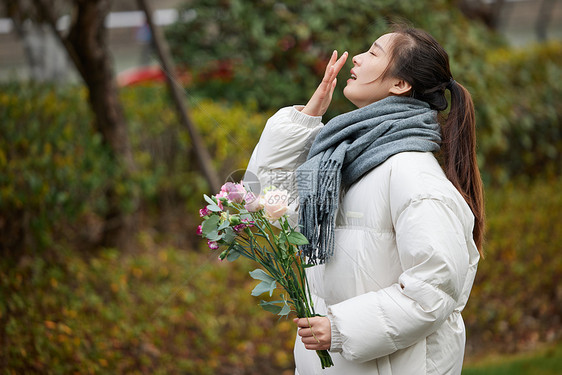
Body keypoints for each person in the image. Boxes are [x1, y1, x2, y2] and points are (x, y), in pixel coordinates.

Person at [245, 25, 484, 375]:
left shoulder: (413, 174)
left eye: (373, 52)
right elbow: (264, 205)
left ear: (400, 85)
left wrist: (340, 328)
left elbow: (434, 289)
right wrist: (305, 118)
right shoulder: (341, 161)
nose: (356, 57)